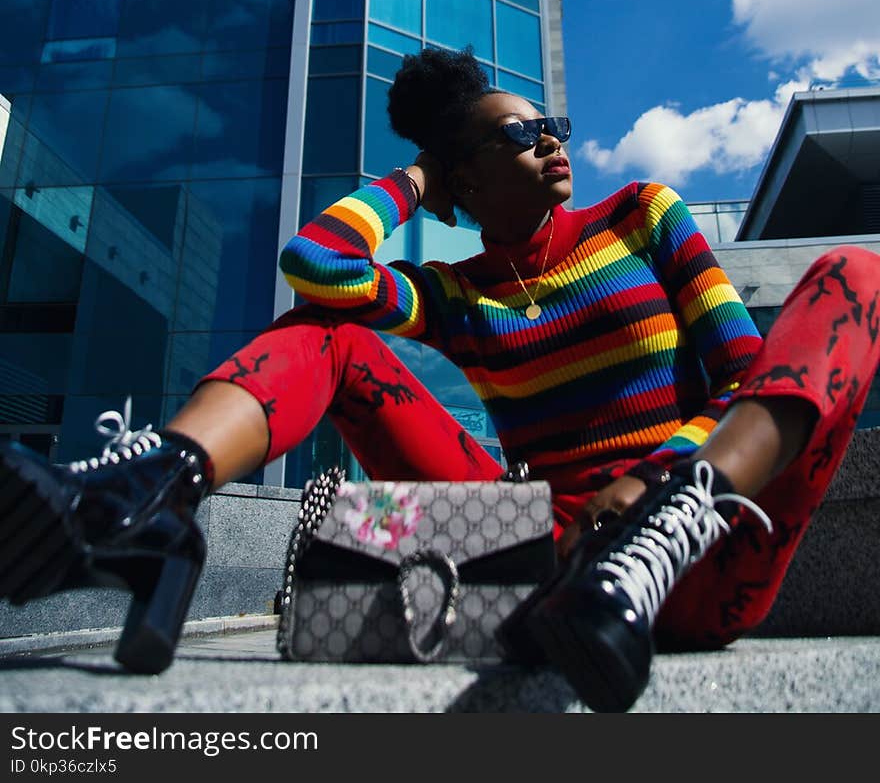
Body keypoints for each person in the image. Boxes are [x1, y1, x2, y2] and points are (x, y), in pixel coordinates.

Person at [1, 46, 878, 712]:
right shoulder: (455, 293)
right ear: (464, 177)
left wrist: (652, 488)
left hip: (699, 547)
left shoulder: (643, 216)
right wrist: (419, 181)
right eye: (519, 135)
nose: (551, 143)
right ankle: (143, 497)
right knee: (328, 331)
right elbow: (316, 264)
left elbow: (741, 371)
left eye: (553, 129)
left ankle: (659, 527)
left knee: (858, 277)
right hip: (540, 560)